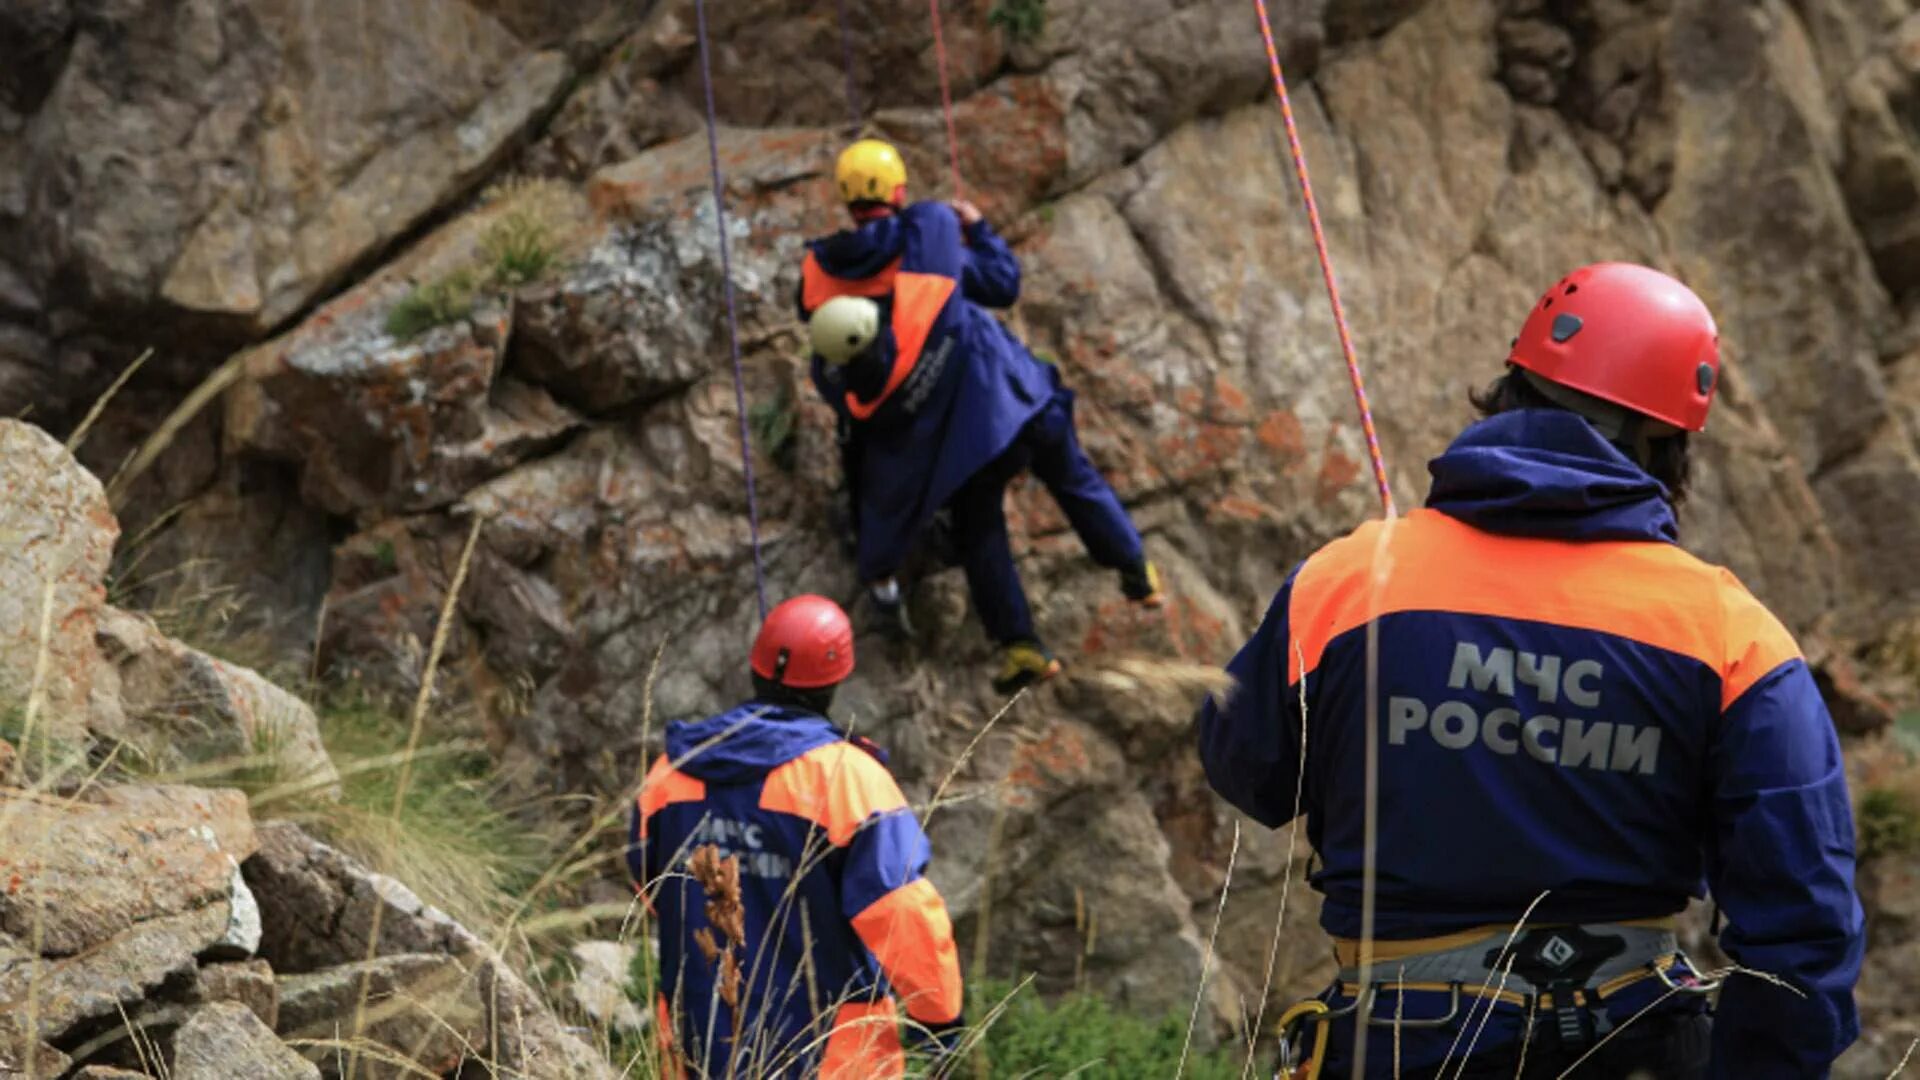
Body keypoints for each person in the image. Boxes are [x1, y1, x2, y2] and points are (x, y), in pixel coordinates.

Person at [1196, 263, 1864, 1078]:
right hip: (1632, 1045)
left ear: (1510, 391)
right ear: (1666, 446)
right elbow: (1804, 923)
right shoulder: (1731, 635)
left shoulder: (1352, 581)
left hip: (1398, 1043)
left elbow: (1246, 766)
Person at [798, 138, 1162, 693]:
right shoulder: (928, 244)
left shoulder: (828, 273)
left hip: (950, 441)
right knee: (1071, 477)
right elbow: (1003, 283)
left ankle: (1022, 646)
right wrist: (980, 229)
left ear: (846, 200)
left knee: (980, 528)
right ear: (898, 191)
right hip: (1009, 394)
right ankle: (1136, 572)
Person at [628, 595, 964, 1078]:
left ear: (755, 666)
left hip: (699, 1045)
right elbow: (901, 911)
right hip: (831, 1054)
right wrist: (940, 1020)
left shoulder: (670, 772)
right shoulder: (849, 780)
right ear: (836, 680)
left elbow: (649, 884)